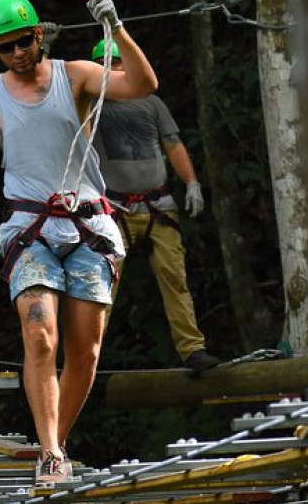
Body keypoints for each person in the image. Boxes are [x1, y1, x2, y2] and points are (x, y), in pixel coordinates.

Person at [0, 0, 157, 485]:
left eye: (24, 41)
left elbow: (144, 84)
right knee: (40, 334)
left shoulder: (74, 75)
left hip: (87, 225)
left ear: (39, 34)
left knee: (85, 352)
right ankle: (50, 452)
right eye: (6, 47)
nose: (17, 53)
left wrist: (116, 27)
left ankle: (55, 445)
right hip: (29, 227)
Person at [90, 40, 220, 376]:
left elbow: (173, 146)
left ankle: (193, 350)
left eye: (118, 63)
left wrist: (191, 182)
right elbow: (53, 99)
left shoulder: (152, 103)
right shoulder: (91, 103)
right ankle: (84, 356)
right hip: (113, 210)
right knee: (100, 284)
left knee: (175, 279)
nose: (115, 70)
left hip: (158, 206)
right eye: (107, 65)